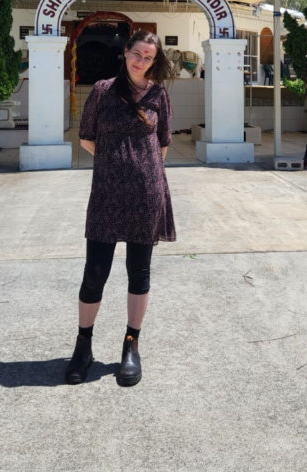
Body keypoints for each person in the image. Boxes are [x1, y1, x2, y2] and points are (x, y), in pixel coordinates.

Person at [66, 30, 175, 387]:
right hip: (107, 194)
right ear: (125, 52)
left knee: (138, 271)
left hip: (146, 194)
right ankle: (83, 345)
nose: (140, 61)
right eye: (136, 53)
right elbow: (86, 137)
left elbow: (162, 146)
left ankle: (131, 345)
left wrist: (140, 170)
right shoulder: (102, 90)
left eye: (148, 57)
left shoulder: (159, 95)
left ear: (153, 61)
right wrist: (115, 164)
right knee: (95, 270)